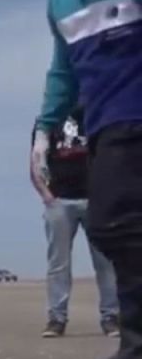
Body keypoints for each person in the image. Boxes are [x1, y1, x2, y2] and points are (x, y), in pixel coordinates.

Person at [34, 0, 142, 359]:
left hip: (134, 114)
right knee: (112, 228)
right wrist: (44, 128)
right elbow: (63, 72)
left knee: (115, 226)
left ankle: (136, 341)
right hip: (100, 124)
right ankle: (136, 343)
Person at [29, 105, 119, 338]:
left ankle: (111, 317)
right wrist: (46, 196)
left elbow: (111, 157)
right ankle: (56, 318)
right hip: (60, 200)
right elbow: (36, 160)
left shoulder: (98, 113)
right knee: (59, 263)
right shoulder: (48, 121)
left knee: (105, 262)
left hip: (95, 199)